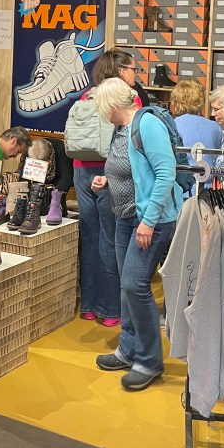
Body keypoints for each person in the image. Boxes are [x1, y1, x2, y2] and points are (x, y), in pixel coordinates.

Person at [91, 77, 182, 391]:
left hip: (150, 221)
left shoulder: (148, 125)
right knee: (126, 287)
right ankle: (128, 350)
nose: (101, 113)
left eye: (102, 107)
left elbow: (165, 173)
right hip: (125, 217)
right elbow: (132, 169)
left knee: (135, 284)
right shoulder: (121, 129)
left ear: (113, 105)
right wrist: (107, 180)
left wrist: (149, 221)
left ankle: (148, 360)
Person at [71, 49, 142, 328]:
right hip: (110, 172)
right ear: (122, 71)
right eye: (134, 69)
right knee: (111, 239)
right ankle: (111, 309)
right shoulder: (127, 99)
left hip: (81, 169)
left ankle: (88, 306)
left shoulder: (86, 96)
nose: (135, 75)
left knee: (89, 237)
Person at [169, 79, 223, 179]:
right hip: (209, 185)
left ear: (175, 101)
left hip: (182, 184)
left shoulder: (171, 126)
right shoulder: (215, 126)